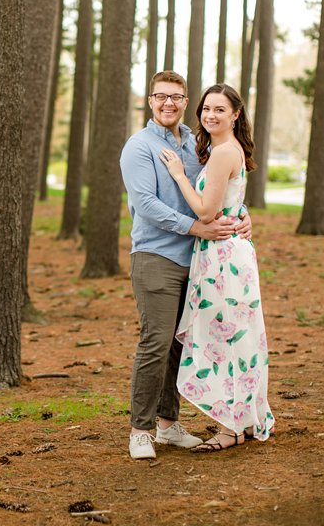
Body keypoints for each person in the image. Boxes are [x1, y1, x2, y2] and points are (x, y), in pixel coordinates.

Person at [120, 71, 252, 460]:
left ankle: (167, 424)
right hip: (156, 257)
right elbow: (146, 204)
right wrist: (194, 226)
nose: (169, 104)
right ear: (150, 101)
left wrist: (242, 214)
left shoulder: (197, 146)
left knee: (180, 345)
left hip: (198, 260)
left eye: (176, 97)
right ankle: (139, 430)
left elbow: (216, 191)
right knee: (156, 342)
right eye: (161, 96)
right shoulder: (139, 146)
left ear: (184, 101)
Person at [159, 82, 275, 451]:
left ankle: (230, 428)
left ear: (235, 115)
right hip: (225, 251)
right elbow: (230, 201)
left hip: (223, 257)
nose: (210, 115)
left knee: (225, 338)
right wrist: (242, 214)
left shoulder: (225, 152)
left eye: (220, 110)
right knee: (233, 336)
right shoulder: (222, 150)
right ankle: (240, 420)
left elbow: (207, 211)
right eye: (206, 109)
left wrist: (179, 174)